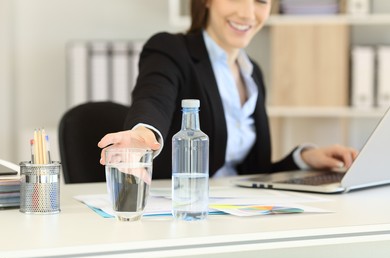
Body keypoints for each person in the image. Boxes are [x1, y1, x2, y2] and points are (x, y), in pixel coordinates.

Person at [98, 0, 358, 179]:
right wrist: (143, 134)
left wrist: (305, 158)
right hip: (184, 210)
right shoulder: (171, 50)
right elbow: (154, 97)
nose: (248, 14)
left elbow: (254, 172)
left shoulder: (252, 73)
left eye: (260, 1)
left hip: (238, 214)